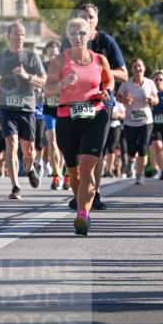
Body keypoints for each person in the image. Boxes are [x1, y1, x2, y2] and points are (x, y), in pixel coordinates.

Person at [44, 17, 113, 236]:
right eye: (73, 33)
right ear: (67, 36)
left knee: (87, 166)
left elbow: (109, 80)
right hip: (67, 117)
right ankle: (80, 201)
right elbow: (48, 90)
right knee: (74, 173)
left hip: (95, 116)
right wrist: (63, 83)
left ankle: (83, 215)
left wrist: (106, 91)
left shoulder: (99, 59)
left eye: (81, 33)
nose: (77, 37)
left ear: (90, 35)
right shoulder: (60, 60)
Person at [61, 2, 127, 211]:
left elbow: (123, 73)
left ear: (96, 20)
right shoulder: (70, 42)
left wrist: (99, 70)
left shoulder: (105, 42)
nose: (86, 21)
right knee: (74, 152)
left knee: (93, 152)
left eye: (90, 17)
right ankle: (80, 192)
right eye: (82, 17)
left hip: (101, 101)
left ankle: (94, 193)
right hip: (74, 102)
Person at [0, 21, 46, 200]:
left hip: (27, 108)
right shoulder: (0, 58)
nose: (20, 37)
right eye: (17, 34)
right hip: (7, 108)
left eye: (22, 34)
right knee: (11, 145)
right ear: (9, 37)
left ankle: (30, 168)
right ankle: (15, 186)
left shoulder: (32, 57)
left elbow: (44, 81)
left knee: (28, 151)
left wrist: (26, 76)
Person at [116, 59, 158, 184]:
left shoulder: (150, 83)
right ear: (132, 69)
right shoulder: (126, 83)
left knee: (143, 148)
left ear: (144, 68)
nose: (137, 68)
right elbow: (118, 96)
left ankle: (139, 174)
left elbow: (156, 99)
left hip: (146, 121)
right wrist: (124, 99)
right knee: (131, 149)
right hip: (130, 122)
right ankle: (130, 162)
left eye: (139, 66)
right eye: (135, 66)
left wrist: (151, 99)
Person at [40, 39, 64, 190]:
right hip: (49, 107)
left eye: (55, 53)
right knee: (52, 141)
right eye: (50, 54)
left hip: (63, 107)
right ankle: (56, 174)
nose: (53, 56)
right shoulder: (43, 68)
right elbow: (40, 83)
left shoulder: (65, 67)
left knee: (63, 144)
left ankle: (66, 172)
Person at [148, 69, 163, 179]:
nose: (158, 81)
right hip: (155, 125)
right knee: (157, 146)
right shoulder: (149, 93)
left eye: (161, 79)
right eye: (156, 79)